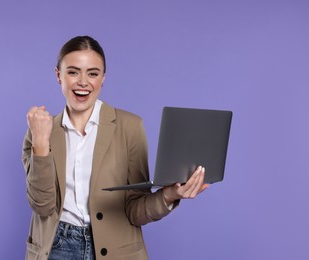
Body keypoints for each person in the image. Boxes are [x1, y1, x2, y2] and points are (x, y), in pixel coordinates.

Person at [22, 35, 209, 260]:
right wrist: (41, 143)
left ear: (103, 78)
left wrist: (170, 195)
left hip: (117, 249)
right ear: (58, 75)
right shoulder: (40, 130)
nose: (83, 82)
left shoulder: (130, 127)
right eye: (73, 72)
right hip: (56, 247)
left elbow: (134, 210)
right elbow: (42, 206)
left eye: (93, 73)